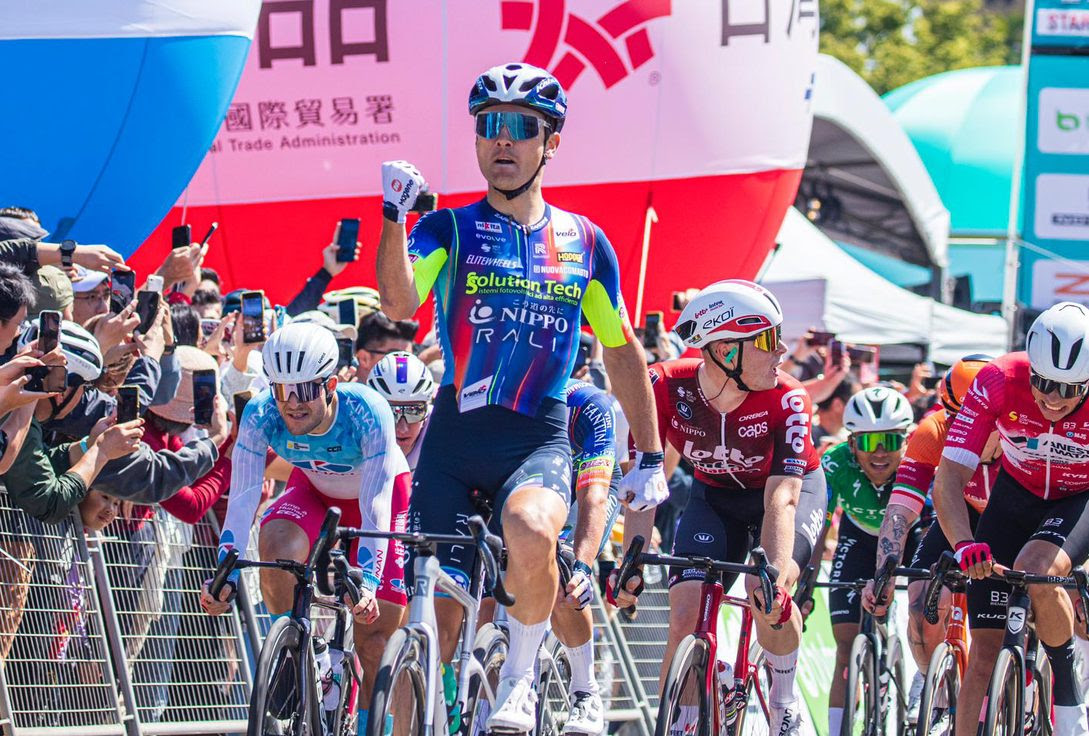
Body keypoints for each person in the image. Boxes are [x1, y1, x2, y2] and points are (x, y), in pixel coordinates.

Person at [376, 62, 667, 732]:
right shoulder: (447, 229)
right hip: (455, 440)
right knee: (432, 629)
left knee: (532, 528)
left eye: (520, 127)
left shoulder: (586, 242)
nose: (502, 139)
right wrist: (393, 217)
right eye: (489, 126)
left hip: (537, 437)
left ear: (551, 142)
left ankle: (519, 681)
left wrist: (649, 455)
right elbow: (397, 303)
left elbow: (621, 349)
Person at [612, 279, 824, 736]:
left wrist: (773, 574)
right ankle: (683, 722)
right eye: (768, 339)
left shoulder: (788, 398)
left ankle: (784, 701)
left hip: (787, 493)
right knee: (684, 618)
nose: (782, 350)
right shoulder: (662, 387)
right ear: (726, 350)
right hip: (715, 497)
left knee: (767, 593)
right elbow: (646, 481)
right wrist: (631, 561)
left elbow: (782, 497)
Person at [200, 323, 410, 736]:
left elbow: (375, 504)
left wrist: (368, 581)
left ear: (330, 385)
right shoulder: (261, 413)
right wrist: (226, 573)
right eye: (282, 390)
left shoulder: (367, 412)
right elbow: (242, 498)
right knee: (274, 541)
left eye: (305, 390)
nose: (292, 403)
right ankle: (302, 652)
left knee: (374, 639)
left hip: (379, 496)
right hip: (314, 491)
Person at [934, 303, 1089, 736]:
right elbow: (949, 478)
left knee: (1035, 567)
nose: (1053, 398)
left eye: (1069, 389)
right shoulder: (998, 379)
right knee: (984, 652)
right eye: (1044, 383)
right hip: (1014, 497)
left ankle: (1070, 705)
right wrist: (964, 544)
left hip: (1078, 499)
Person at [862, 355, 997, 721]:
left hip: (1011, 517)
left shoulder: (1022, 435)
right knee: (921, 603)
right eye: (957, 419)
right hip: (962, 513)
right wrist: (883, 575)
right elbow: (899, 512)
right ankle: (931, 683)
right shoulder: (933, 431)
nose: (966, 431)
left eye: (978, 422)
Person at [821, 386, 915, 736]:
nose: (879, 452)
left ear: (905, 441)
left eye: (889, 441)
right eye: (868, 441)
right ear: (851, 444)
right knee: (845, 647)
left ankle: (923, 687)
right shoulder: (835, 462)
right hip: (858, 537)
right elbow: (816, 528)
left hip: (912, 534)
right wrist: (804, 584)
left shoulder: (920, 461)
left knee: (924, 618)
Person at [366, 350, 435, 470]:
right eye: (391, 413)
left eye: (413, 412)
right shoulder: (354, 432)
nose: (402, 429)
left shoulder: (441, 428)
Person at [354, 311, 417, 381]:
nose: (406, 366)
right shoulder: (344, 387)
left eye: (410, 359)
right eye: (396, 357)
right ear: (364, 359)